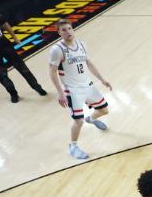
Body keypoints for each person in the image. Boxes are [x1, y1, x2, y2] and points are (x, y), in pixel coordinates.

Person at [47, 19, 112, 160]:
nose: (68, 31)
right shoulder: (57, 50)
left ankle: (92, 118)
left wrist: (102, 79)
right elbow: (52, 72)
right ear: (59, 33)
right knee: (78, 121)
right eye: (63, 30)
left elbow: (88, 63)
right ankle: (73, 146)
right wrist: (60, 93)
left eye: (69, 28)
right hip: (72, 91)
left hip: (88, 86)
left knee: (104, 110)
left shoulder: (82, 45)